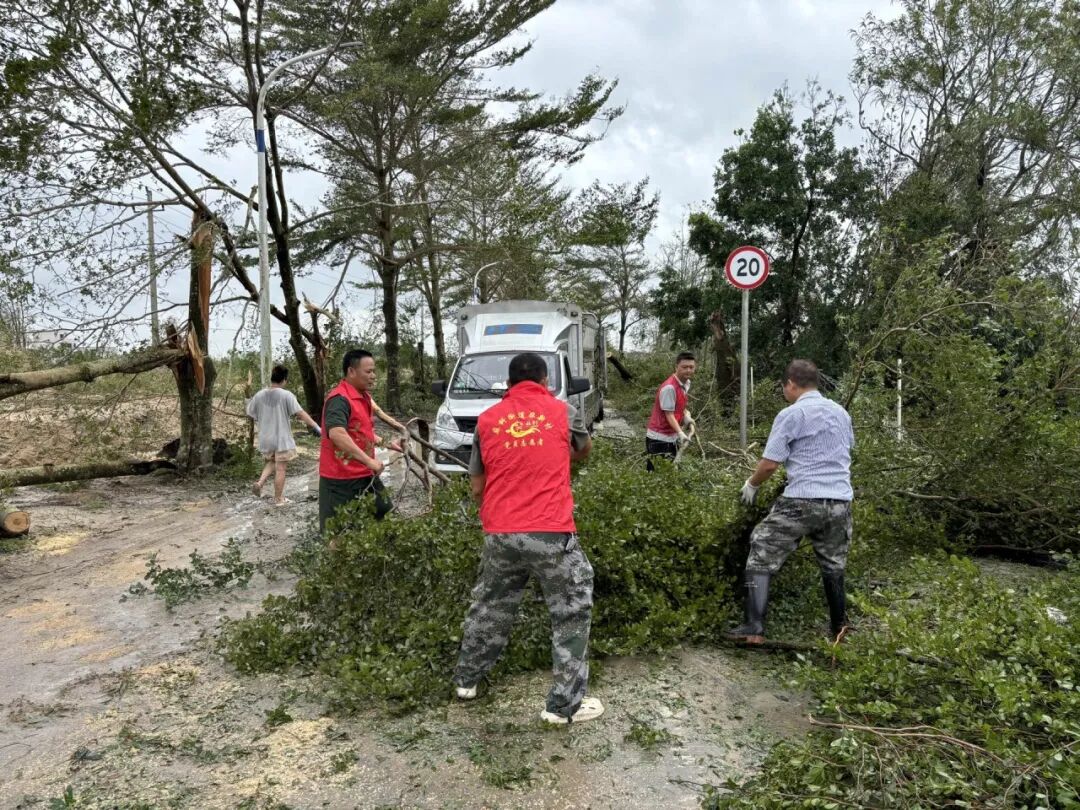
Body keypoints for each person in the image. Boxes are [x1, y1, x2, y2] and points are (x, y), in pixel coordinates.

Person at [452, 352, 603, 725]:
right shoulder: (562, 411)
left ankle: (466, 682)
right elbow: (583, 449)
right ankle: (564, 706)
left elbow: (476, 485)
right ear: (544, 380)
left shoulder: (487, 420)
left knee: (490, 605)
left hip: (500, 531)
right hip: (550, 531)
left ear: (510, 382)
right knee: (571, 611)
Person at [727, 359, 855, 645]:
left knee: (762, 545)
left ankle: (753, 627)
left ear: (791, 384)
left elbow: (770, 464)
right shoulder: (841, 413)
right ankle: (839, 629)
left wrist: (752, 484)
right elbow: (846, 452)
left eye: (784, 386)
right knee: (833, 564)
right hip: (840, 502)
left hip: (802, 500)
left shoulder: (792, 414)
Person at [318, 349, 407, 533]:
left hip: (365, 475)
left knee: (385, 515)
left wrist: (390, 444)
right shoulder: (339, 399)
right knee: (335, 534)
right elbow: (337, 434)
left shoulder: (364, 397)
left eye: (374, 371)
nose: (373, 376)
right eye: (368, 372)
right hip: (339, 481)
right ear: (351, 371)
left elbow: (363, 433)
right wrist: (369, 461)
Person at [247, 364, 322, 505]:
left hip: (266, 437)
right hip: (281, 438)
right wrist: (317, 426)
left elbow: (250, 412)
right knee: (281, 467)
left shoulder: (259, 394)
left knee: (272, 461)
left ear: (272, 378)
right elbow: (300, 413)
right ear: (284, 380)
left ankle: (260, 483)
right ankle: (279, 499)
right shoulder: (286, 395)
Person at [645, 351, 697, 470]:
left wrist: (686, 416)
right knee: (656, 474)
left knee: (669, 472)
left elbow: (678, 406)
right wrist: (680, 433)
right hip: (659, 438)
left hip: (671, 436)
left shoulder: (686, 383)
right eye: (684, 367)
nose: (688, 370)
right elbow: (668, 414)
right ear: (676, 367)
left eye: (691, 367)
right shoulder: (669, 387)